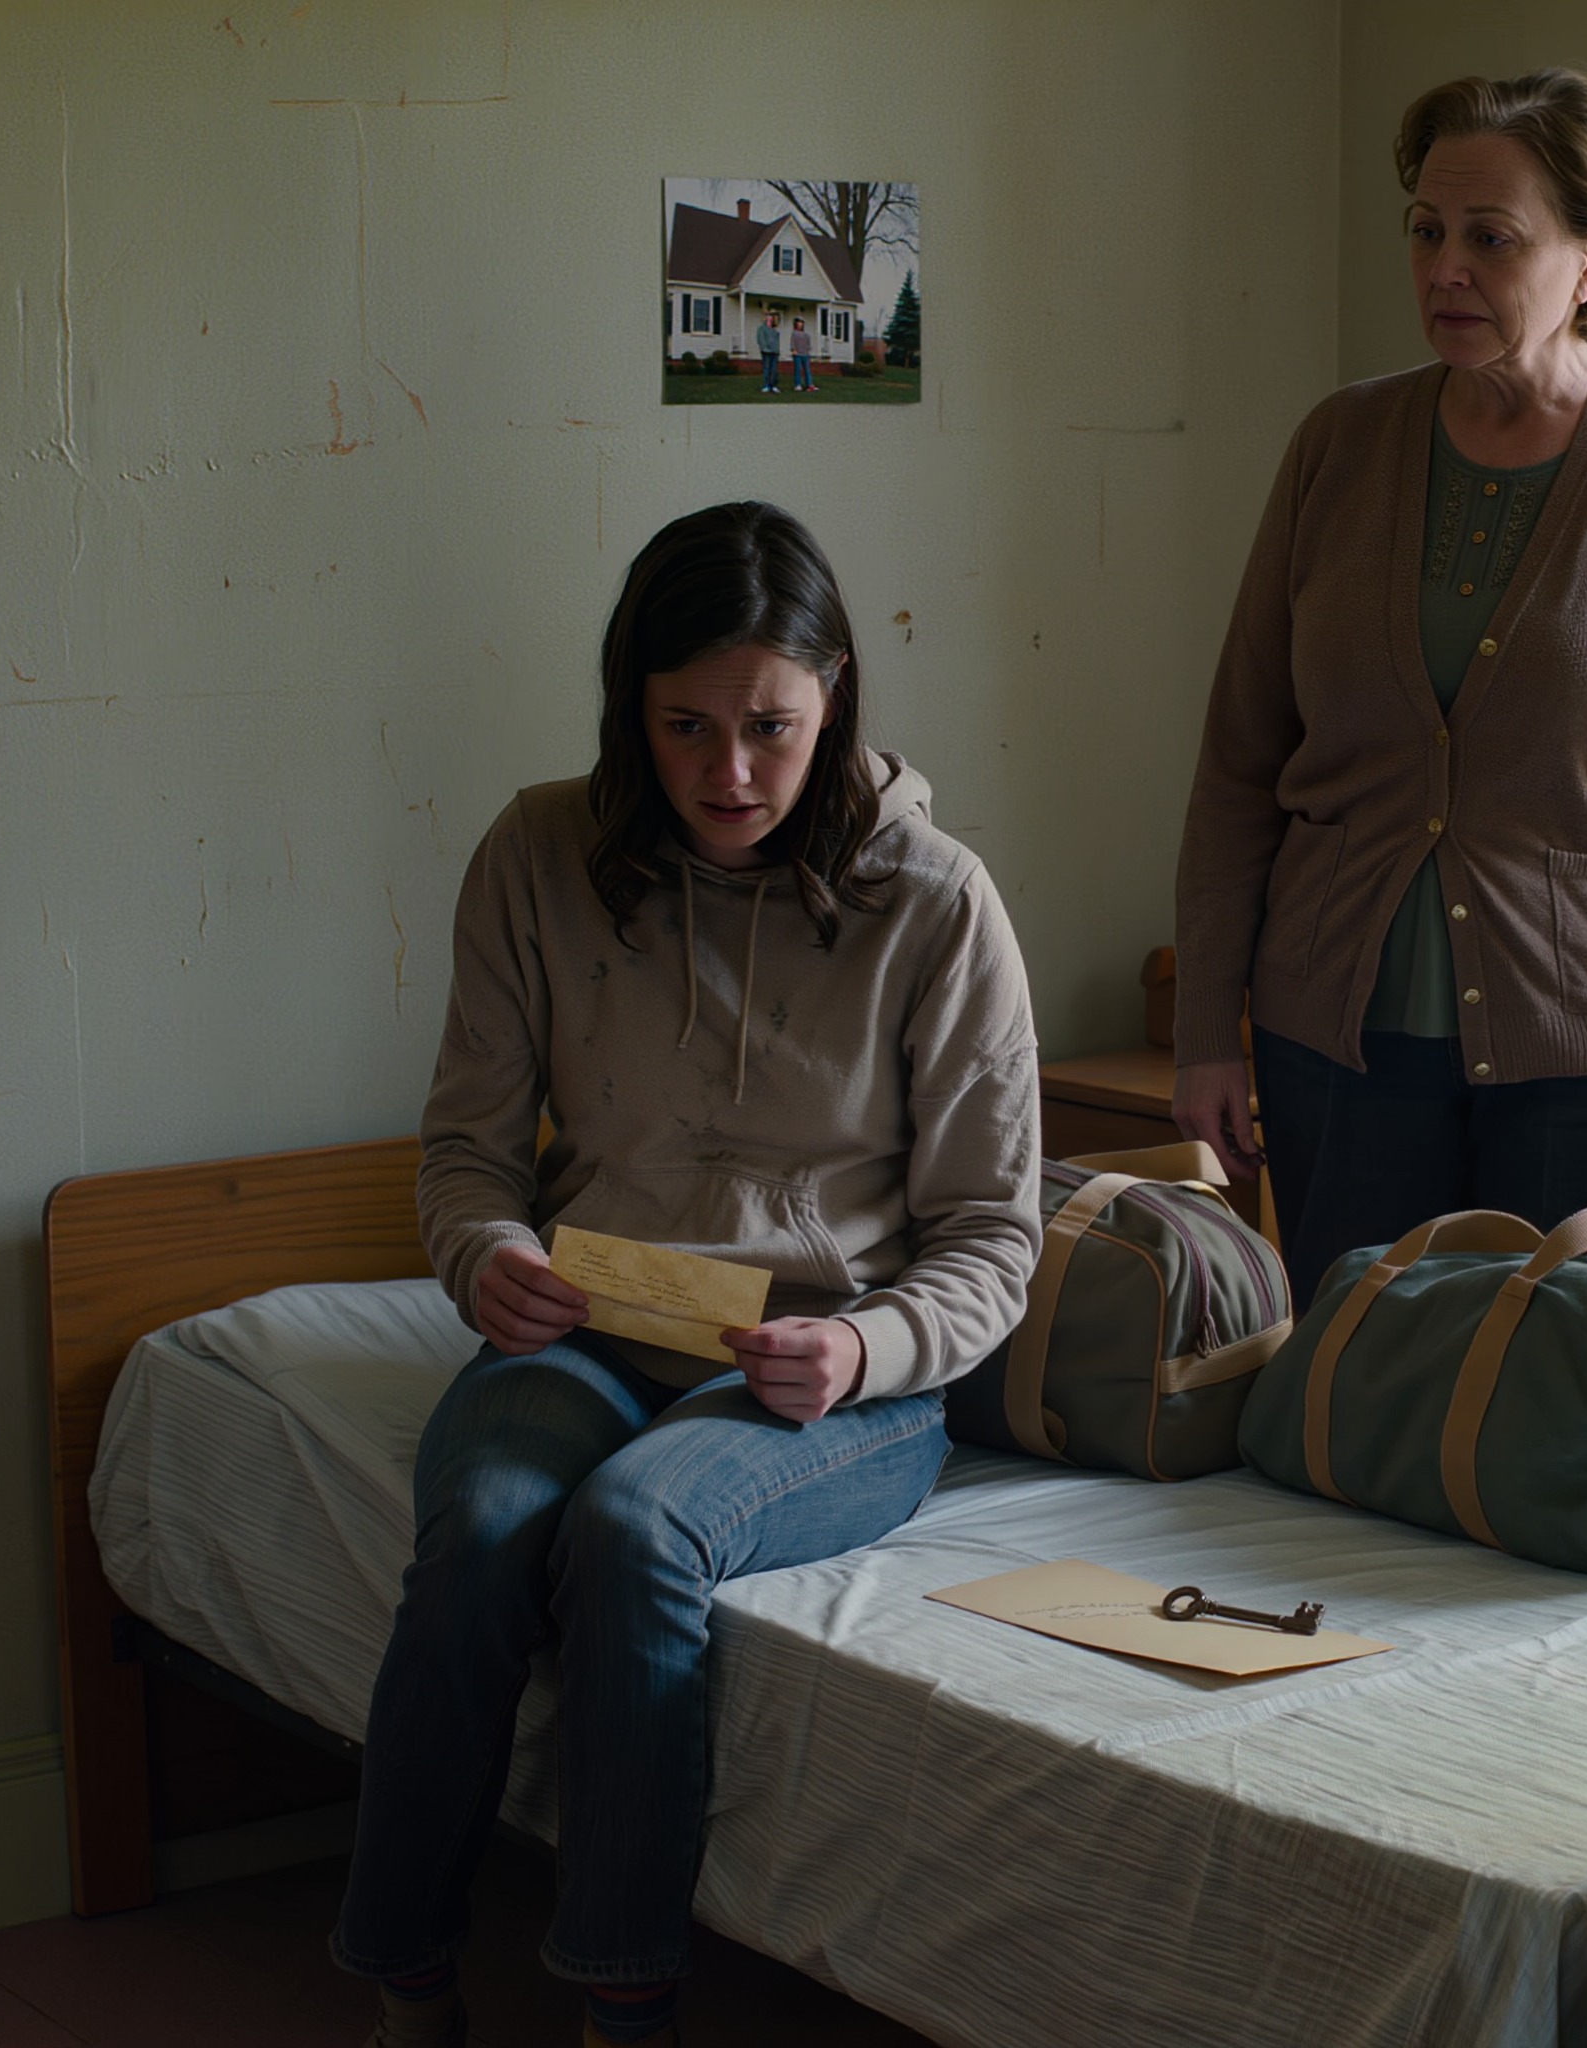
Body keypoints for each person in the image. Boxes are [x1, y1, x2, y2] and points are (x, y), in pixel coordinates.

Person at [331, 501, 1042, 2048]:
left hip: (826, 1380)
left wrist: (866, 1352)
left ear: (833, 695)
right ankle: (407, 1985)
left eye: (771, 728)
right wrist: (487, 1254)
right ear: (629, 708)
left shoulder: (938, 902)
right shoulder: (537, 855)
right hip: (585, 1335)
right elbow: (465, 1155)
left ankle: (623, 2009)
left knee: (632, 1528)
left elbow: (995, 1239)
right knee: (481, 1531)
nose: (729, 773)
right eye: (686, 728)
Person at [1172, 68, 1587, 1309]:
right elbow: (1238, 763)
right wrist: (1204, 1029)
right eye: (1424, 230)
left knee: (1551, 1392)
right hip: (1333, 1049)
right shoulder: (1336, 446)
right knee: (1352, 1379)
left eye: (1489, 238)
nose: (1443, 269)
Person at [755, 310, 781, 393]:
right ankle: (767, 385)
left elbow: (776, 341)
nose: (770, 318)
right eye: (768, 316)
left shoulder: (774, 330)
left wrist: (777, 350)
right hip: (766, 352)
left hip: (775, 352)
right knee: (767, 369)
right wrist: (765, 348)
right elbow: (760, 339)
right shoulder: (762, 328)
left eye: (771, 316)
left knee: (774, 370)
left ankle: (773, 385)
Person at [790, 316, 815, 393]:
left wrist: (808, 350)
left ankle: (809, 384)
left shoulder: (806, 334)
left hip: (805, 355)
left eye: (801, 323)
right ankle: (798, 384)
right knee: (798, 370)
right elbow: (792, 343)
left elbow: (808, 344)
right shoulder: (794, 333)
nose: (800, 324)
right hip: (797, 354)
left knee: (807, 370)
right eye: (799, 323)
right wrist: (794, 350)